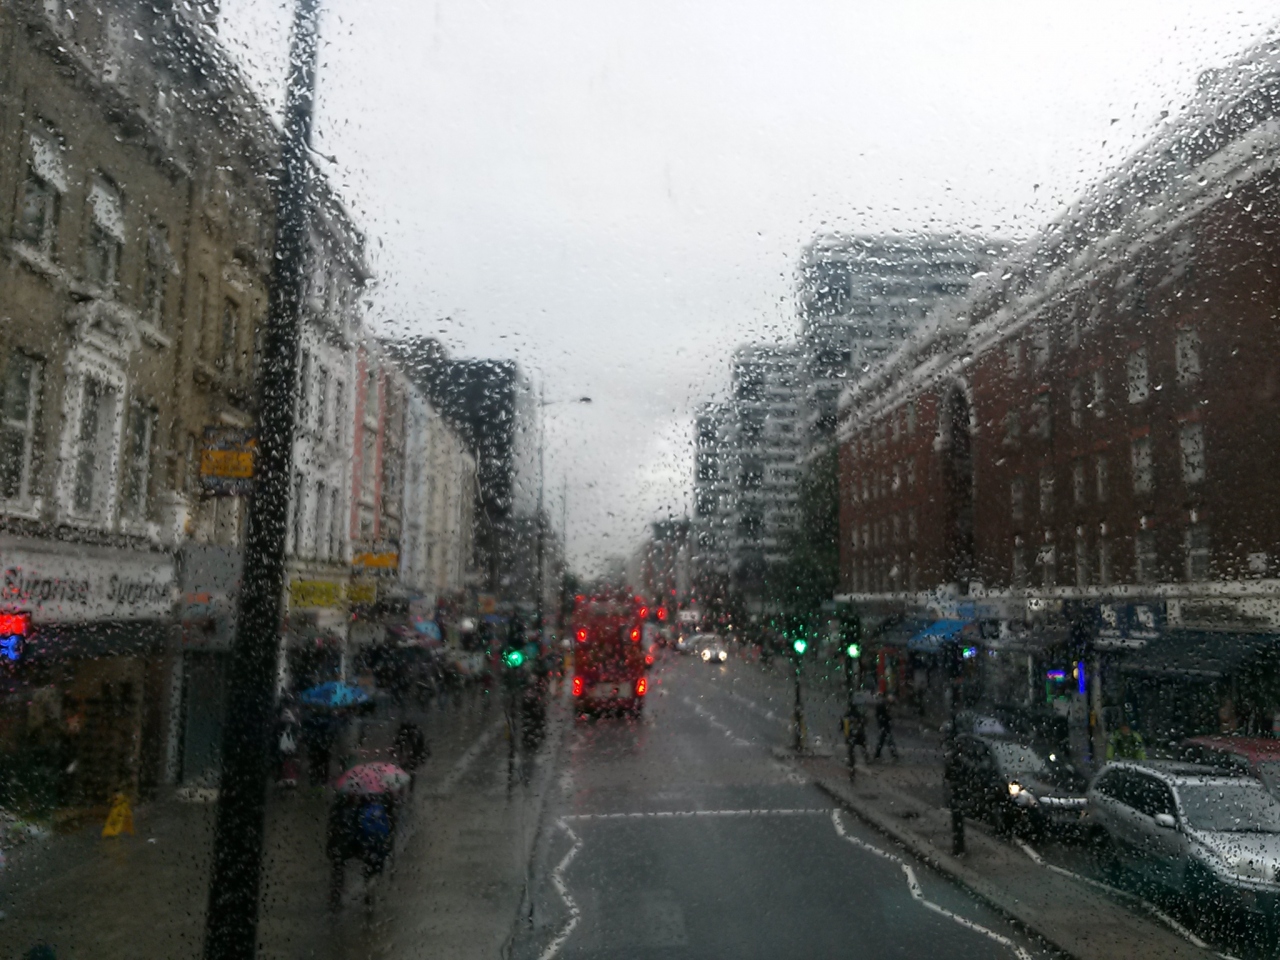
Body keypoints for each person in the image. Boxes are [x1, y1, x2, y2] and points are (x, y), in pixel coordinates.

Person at [393, 720, 429, 790]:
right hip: (410, 755)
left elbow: (396, 745)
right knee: (410, 772)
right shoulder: (414, 736)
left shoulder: (406, 736)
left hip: (410, 755)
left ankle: (405, 790)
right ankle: (407, 790)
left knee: (408, 772)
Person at [873, 693, 899, 761]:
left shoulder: (884, 704)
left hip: (883, 723)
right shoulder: (884, 705)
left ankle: (877, 754)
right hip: (884, 723)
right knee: (888, 740)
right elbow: (885, 715)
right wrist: (889, 718)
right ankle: (893, 755)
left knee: (883, 740)